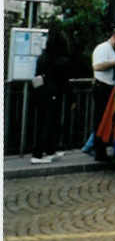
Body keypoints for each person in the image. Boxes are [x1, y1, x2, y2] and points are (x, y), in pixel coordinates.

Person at [30, 30, 72, 164]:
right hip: (53, 93)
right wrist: (71, 98)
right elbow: (64, 80)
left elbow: (37, 76)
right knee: (50, 123)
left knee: (43, 122)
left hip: (41, 93)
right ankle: (41, 153)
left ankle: (46, 150)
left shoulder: (43, 57)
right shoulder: (61, 60)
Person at [91, 28, 115, 161]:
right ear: (114, 37)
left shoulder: (113, 50)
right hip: (102, 87)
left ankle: (103, 147)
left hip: (109, 87)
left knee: (106, 120)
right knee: (100, 119)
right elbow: (97, 66)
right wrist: (114, 63)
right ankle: (98, 150)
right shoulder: (103, 48)